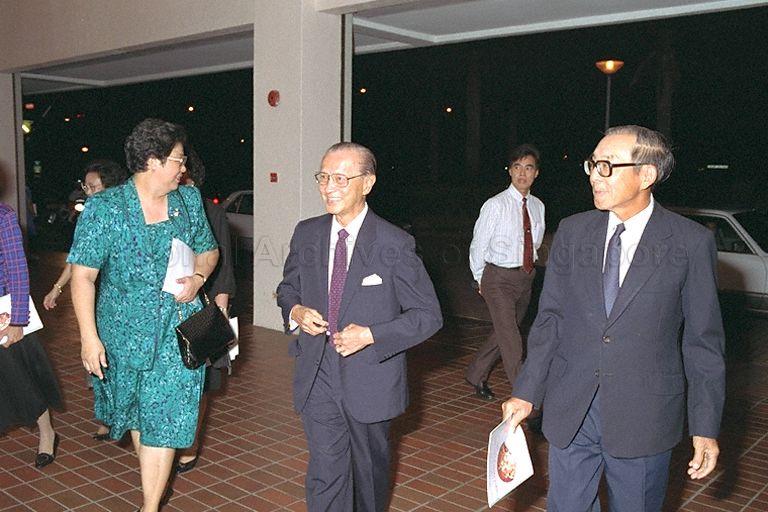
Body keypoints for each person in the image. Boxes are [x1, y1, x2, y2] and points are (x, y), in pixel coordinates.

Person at [502, 125, 726, 511]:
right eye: (592, 164)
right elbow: (551, 319)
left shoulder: (689, 242)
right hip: (573, 408)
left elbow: (702, 342)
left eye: (606, 166)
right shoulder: (573, 232)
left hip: (644, 418)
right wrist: (527, 391)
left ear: (647, 174)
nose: (594, 175)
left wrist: (705, 427)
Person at [277, 142, 443, 512]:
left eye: (340, 178)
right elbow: (287, 289)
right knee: (326, 473)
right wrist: (296, 311)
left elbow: (428, 315)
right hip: (317, 373)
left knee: (368, 480)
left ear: (367, 183)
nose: (328, 187)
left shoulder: (394, 243)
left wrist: (370, 335)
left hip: (369, 381)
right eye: (323, 177)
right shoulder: (307, 233)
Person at [69, 118, 219, 512]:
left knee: (165, 416)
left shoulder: (188, 201)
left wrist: (199, 277)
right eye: (178, 160)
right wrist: (89, 337)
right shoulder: (105, 208)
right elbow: (83, 277)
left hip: (177, 328)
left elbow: (209, 250)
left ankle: (149, 506)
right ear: (153, 160)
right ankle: (152, 486)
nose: (183, 167)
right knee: (137, 412)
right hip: (123, 331)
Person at [43, 160, 127, 441]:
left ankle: (123, 416)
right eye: (85, 186)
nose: (88, 192)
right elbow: (77, 260)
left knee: (117, 361)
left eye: (93, 187)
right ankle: (106, 419)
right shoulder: (91, 213)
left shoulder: (123, 211)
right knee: (96, 358)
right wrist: (57, 288)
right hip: (94, 298)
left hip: (119, 300)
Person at [466, 144, 544, 401]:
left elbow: (535, 242)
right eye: (517, 167)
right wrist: (480, 278)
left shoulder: (538, 206)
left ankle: (476, 373)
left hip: (525, 278)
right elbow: (478, 244)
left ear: (536, 173)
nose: (522, 173)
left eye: (528, 168)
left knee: (504, 332)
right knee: (512, 340)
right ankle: (527, 399)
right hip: (497, 279)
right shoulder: (495, 205)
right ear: (510, 171)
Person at [175, 148, 236, 474]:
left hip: (202, 309)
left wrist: (221, 312)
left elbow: (223, 268)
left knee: (199, 383)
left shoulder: (211, 213)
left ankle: (190, 443)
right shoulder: (161, 210)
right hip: (168, 308)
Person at [0, 201, 62, 468]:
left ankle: (47, 432)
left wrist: (18, 320)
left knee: (23, 379)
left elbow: (18, 271)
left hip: (4, 315)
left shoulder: (3, 217)